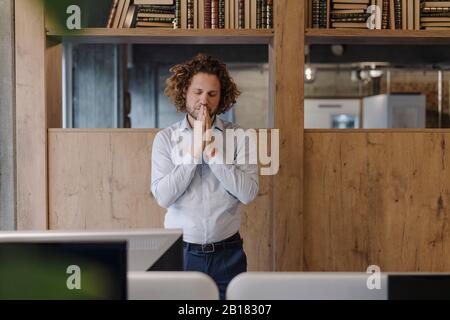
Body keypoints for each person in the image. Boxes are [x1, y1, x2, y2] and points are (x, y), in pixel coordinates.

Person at [151, 53, 259, 299]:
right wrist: (193, 153)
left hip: (228, 255)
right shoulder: (165, 139)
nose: (204, 101)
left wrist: (211, 152)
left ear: (221, 97)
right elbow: (163, 197)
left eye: (212, 94)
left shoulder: (241, 137)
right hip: (180, 254)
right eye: (197, 92)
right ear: (184, 92)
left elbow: (248, 193)